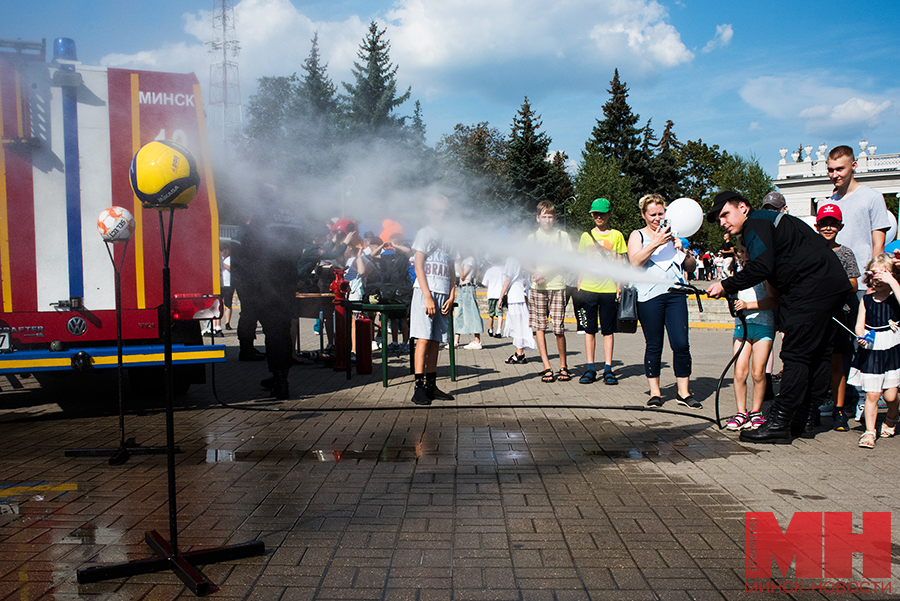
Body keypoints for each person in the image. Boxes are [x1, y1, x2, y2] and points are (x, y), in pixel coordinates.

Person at [706, 191, 853, 444]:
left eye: (725, 214)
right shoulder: (769, 221)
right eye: (719, 219)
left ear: (743, 207)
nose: (722, 222)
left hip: (812, 288)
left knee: (796, 354)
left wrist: (726, 285)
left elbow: (761, 266)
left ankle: (780, 421)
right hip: (830, 286)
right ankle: (804, 418)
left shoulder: (755, 224)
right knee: (815, 354)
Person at [627, 194, 698, 408]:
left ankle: (683, 392)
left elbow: (691, 267)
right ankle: (655, 392)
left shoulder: (675, 234)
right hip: (649, 296)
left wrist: (683, 250)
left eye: (661, 213)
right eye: (653, 215)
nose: (658, 218)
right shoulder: (637, 235)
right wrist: (655, 243)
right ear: (644, 215)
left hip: (675, 294)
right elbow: (635, 261)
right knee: (654, 345)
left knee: (681, 343)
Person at [813, 204, 860, 431]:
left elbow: (853, 284)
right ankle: (813, 407)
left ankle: (839, 410)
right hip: (815, 315)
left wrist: (831, 283)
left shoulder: (846, 252)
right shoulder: (810, 250)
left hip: (840, 314)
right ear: (817, 225)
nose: (828, 227)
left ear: (840, 226)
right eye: (824, 223)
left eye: (832, 223)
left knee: (837, 363)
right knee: (813, 362)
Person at [409, 194, 457, 406]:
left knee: (436, 339)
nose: (442, 215)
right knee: (423, 338)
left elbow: (452, 269)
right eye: (437, 211)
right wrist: (427, 296)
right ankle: (418, 387)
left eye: (445, 212)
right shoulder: (424, 234)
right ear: (429, 213)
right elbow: (418, 266)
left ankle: (431, 385)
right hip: (424, 292)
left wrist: (452, 294)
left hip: (443, 292)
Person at [724, 245, 777, 431]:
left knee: (758, 372)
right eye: (741, 253)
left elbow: (772, 299)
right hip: (742, 327)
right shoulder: (738, 274)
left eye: (748, 252)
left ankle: (756, 412)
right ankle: (740, 412)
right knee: (739, 372)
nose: (744, 256)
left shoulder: (765, 274)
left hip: (763, 327)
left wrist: (749, 304)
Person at [851, 254, 900, 448]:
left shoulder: (895, 296)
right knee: (872, 393)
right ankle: (869, 431)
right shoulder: (867, 300)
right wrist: (860, 335)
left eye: (883, 275)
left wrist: (893, 281)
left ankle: (892, 415)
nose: (878, 280)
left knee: (889, 396)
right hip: (872, 349)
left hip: (892, 347)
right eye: (874, 275)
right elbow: (859, 325)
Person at [826, 145, 892, 290]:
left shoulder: (873, 197)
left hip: (862, 282)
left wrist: (872, 281)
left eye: (840, 169)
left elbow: (878, 245)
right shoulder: (827, 204)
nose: (834, 175)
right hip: (832, 282)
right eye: (831, 170)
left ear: (854, 166)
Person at [576, 198, 627, 385]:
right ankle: (590, 368)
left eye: (602, 213)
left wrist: (619, 284)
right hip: (588, 288)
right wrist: (579, 282)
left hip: (608, 288)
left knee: (608, 330)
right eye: (595, 213)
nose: (598, 216)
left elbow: (621, 262)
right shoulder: (585, 236)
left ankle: (607, 368)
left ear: (609, 214)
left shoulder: (617, 235)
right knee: (589, 330)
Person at [526, 200, 574, 383]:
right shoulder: (532, 238)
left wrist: (544, 272)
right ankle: (547, 366)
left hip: (558, 285)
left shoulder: (562, 236)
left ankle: (563, 365)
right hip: (538, 288)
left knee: (558, 328)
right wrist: (533, 273)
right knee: (540, 327)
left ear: (555, 218)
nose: (547, 220)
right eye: (543, 217)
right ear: (538, 218)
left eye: (550, 217)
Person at [500, 256, 535, 364]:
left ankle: (519, 353)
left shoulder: (512, 259)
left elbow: (508, 279)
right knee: (520, 324)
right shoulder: (523, 259)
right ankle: (519, 351)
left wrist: (501, 296)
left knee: (518, 325)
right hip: (521, 294)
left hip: (515, 296)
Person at [453, 250, 484, 350]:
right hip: (462, 289)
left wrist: (458, 263)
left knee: (472, 313)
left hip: (468, 288)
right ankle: (455, 341)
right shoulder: (465, 260)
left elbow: (462, 275)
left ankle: (477, 341)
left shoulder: (470, 260)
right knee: (458, 314)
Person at [481, 258, 505, 338]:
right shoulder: (502, 270)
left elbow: (484, 283)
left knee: (491, 314)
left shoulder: (489, 271)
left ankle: (491, 329)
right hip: (500, 294)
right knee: (500, 313)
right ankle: (498, 331)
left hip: (491, 294)